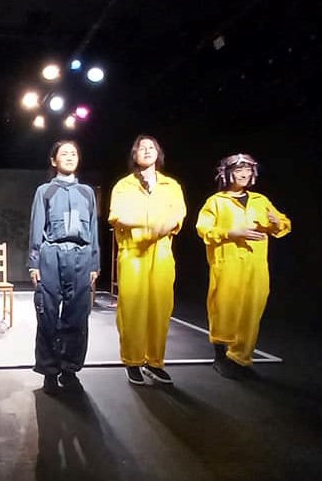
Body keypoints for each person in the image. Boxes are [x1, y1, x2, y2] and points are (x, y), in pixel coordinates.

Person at [196, 153, 291, 379]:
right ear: (228, 174)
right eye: (239, 170)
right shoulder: (216, 202)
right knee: (224, 308)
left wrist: (277, 223)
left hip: (255, 265)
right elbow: (203, 229)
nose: (244, 174)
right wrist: (231, 232)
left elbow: (283, 223)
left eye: (248, 170)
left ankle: (241, 358)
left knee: (251, 309)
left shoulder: (260, 200)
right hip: (228, 263)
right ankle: (221, 357)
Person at [108, 135, 186, 385]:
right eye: (142, 148)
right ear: (134, 155)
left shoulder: (171, 185)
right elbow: (118, 215)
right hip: (133, 252)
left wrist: (164, 225)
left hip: (161, 253)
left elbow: (178, 214)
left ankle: (154, 361)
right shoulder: (124, 186)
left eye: (152, 147)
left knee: (160, 309)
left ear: (158, 153)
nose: (147, 150)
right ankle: (132, 361)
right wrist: (150, 224)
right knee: (132, 309)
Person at [28, 140, 100, 394]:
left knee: (77, 316)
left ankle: (70, 369)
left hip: (81, 256)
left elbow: (93, 229)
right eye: (64, 153)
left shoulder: (87, 192)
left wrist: (94, 263)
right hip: (51, 255)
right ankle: (49, 371)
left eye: (73, 153)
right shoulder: (45, 191)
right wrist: (34, 263)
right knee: (47, 315)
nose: (69, 157)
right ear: (53, 160)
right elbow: (37, 226)